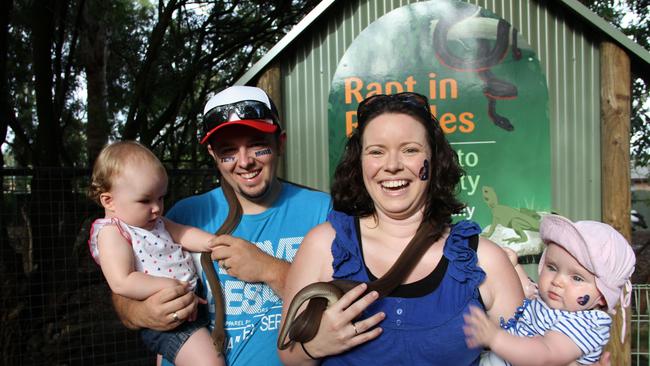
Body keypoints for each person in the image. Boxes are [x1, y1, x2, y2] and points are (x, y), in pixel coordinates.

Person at [278, 91, 525, 365]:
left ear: (435, 161)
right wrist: (315, 346)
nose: (392, 166)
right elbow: (288, 355)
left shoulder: (484, 260)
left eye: (410, 150)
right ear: (359, 163)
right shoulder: (324, 245)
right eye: (376, 152)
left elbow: (531, 356)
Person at [111, 86, 332, 366]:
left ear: (281, 143)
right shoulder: (183, 217)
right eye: (228, 151)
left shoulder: (323, 211)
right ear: (213, 155)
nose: (244, 161)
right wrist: (142, 312)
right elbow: (123, 290)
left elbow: (346, 302)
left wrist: (268, 268)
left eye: (257, 145)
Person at [88, 141, 224, 366]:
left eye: (160, 198)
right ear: (108, 200)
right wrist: (168, 286)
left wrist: (214, 242)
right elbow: (122, 282)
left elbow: (183, 234)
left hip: (186, 304)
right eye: (145, 200)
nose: (157, 208)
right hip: (169, 316)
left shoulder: (154, 222)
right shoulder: (113, 232)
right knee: (211, 362)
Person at [463, 214, 636, 365]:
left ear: (603, 297)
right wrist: (514, 266)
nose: (557, 281)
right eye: (552, 267)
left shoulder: (587, 324)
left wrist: (495, 338)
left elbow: (546, 354)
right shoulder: (549, 303)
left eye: (577, 278)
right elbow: (527, 290)